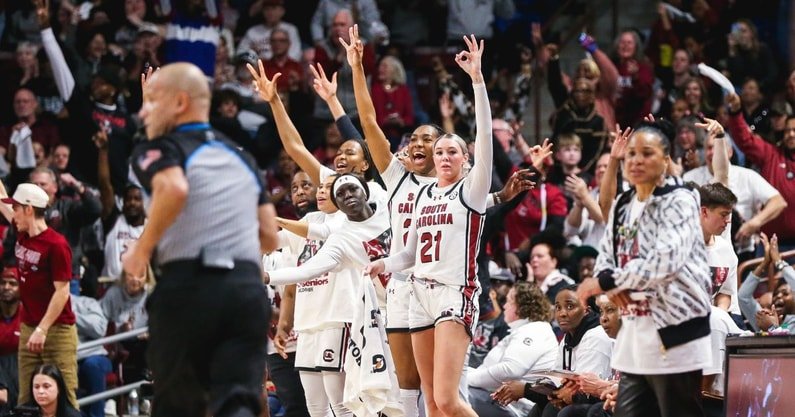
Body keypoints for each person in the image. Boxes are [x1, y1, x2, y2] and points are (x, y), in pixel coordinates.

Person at [123, 63, 279, 417]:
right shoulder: (241, 157)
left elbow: (173, 188)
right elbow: (269, 237)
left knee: (179, 406)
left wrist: (140, 250)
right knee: (237, 404)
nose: (143, 111)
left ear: (180, 102)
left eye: (152, 100)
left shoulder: (162, 147)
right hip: (245, 292)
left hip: (189, 289)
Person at [367, 34, 491, 417]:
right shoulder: (422, 195)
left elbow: (484, 137)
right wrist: (384, 264)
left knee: (450, 398)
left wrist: (477, 81)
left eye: (452, 151)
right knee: (433, 402)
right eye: (440, 152)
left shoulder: (470, 191)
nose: (444, 156)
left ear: (465, 158)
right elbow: (409, 252)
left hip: (455, 293)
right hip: (419, 291)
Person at [578, 120, 713, 417]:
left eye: (647, 153)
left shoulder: (681, 200)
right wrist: (610, 284)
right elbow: (605, 256)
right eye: (632, 154)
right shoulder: (623, 203)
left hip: (675, 333)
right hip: (634, 334)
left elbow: (664, 263)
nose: (637, 160)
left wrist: (606, 282)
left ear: (666, 160)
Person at [264, 173, 394, 416]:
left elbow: (314, 244)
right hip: (307, 324)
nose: (322, 191)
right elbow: (271, 245)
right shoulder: (308, 222)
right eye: (322, 187)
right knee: (315, 407)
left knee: (343, 405)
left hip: (337, 319)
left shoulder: (341, 225)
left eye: (326, 187)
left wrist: (275, 220)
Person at [0, 183, 78, 409]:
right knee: (26, 395)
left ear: (28, 209)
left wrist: (42, 329)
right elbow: (2, 196)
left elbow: (62, 291)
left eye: (15, 209)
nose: (11, 213)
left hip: (57, 330)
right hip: (29, 326)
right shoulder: (21, 231)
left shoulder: (56, 245)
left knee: (65, 396)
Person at [468, 283, 558, 417]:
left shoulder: (535, 331)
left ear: (522, 307)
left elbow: (509, 370)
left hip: (515, 407)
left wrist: (467, 378)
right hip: (495, 398)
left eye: (509, 301)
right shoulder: (527, 329)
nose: (504, 306)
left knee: (448, 393)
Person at [71, 294, 111, 417]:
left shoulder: (86, 302)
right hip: (64, 359)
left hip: (93, 355)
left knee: (92, 365)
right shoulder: (44, 305)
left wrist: (71, 316)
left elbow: (100, 329)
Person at [0, 268, 21, 412]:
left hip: (19, 371)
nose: (6, 287)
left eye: (12, 284)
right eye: (2, 283)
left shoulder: (29, 316)